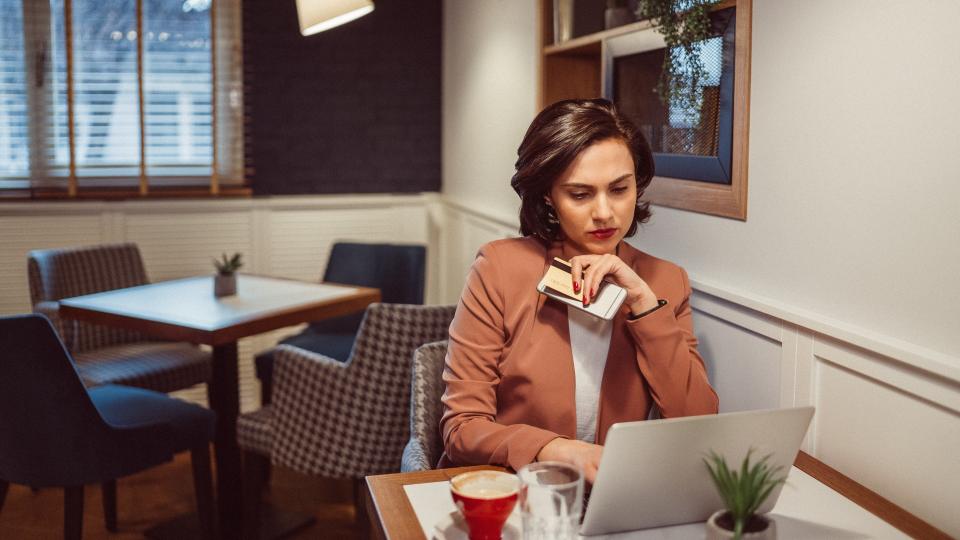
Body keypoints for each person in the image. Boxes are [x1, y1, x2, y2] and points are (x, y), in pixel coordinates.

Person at [438, 98, 718, 484]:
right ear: (549, 195)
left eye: (619, 189)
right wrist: (554, 448)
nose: (605, 213)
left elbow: (698, 424)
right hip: (512, 490)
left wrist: (644, 305)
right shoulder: (499, 269)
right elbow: (462, 428)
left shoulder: (665, 280)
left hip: (612, 497)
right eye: (581, 194)